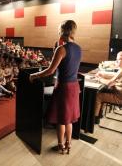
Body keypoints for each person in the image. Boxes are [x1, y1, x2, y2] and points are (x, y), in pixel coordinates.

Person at [30, 20, 81, 155]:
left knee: (61, 119)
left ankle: (60, 146)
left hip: (64, 87)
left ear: (62, 31)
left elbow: (50, 71)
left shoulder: (62, 48)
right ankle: (68, 145)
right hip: (74, 87)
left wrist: (33, 75)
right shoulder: (78, 48)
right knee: (69, 118)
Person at [94, 51, 122, 124]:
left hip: (119, 98)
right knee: (104, 90)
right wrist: (103, 75)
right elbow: (114, 78)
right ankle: (100, 114)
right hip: (118, 92)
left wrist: (99, 79)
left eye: (118, 59)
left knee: (98, 96)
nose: (116, 61)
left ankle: (94, 119)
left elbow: (110, 82)